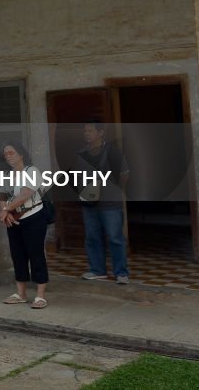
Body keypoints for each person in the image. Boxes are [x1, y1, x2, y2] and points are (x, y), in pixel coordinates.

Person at [78, 118, 130, 284]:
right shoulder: (82, 154)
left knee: (115, 237)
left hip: (110, 203)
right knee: (92, 237)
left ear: (100, 132)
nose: (86, 134)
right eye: (85, 131)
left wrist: (114, 190)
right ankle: (97, 270)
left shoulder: (113, 152)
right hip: (89, 202)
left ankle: (121, 272)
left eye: (90, 130)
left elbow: (124, 174)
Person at [0, 142, 50, 309]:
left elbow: (25, 194)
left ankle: (40, 295)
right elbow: (1, 195)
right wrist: (5, 212)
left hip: (33, 216)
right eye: (6, 154)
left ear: (21, 154)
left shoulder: (31, 171)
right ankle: (21, 294)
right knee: (18, 255)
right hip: (13, 219)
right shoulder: (6, 175)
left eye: (11, 152)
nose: (8, 156)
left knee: (36, 254)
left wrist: (6, 209)